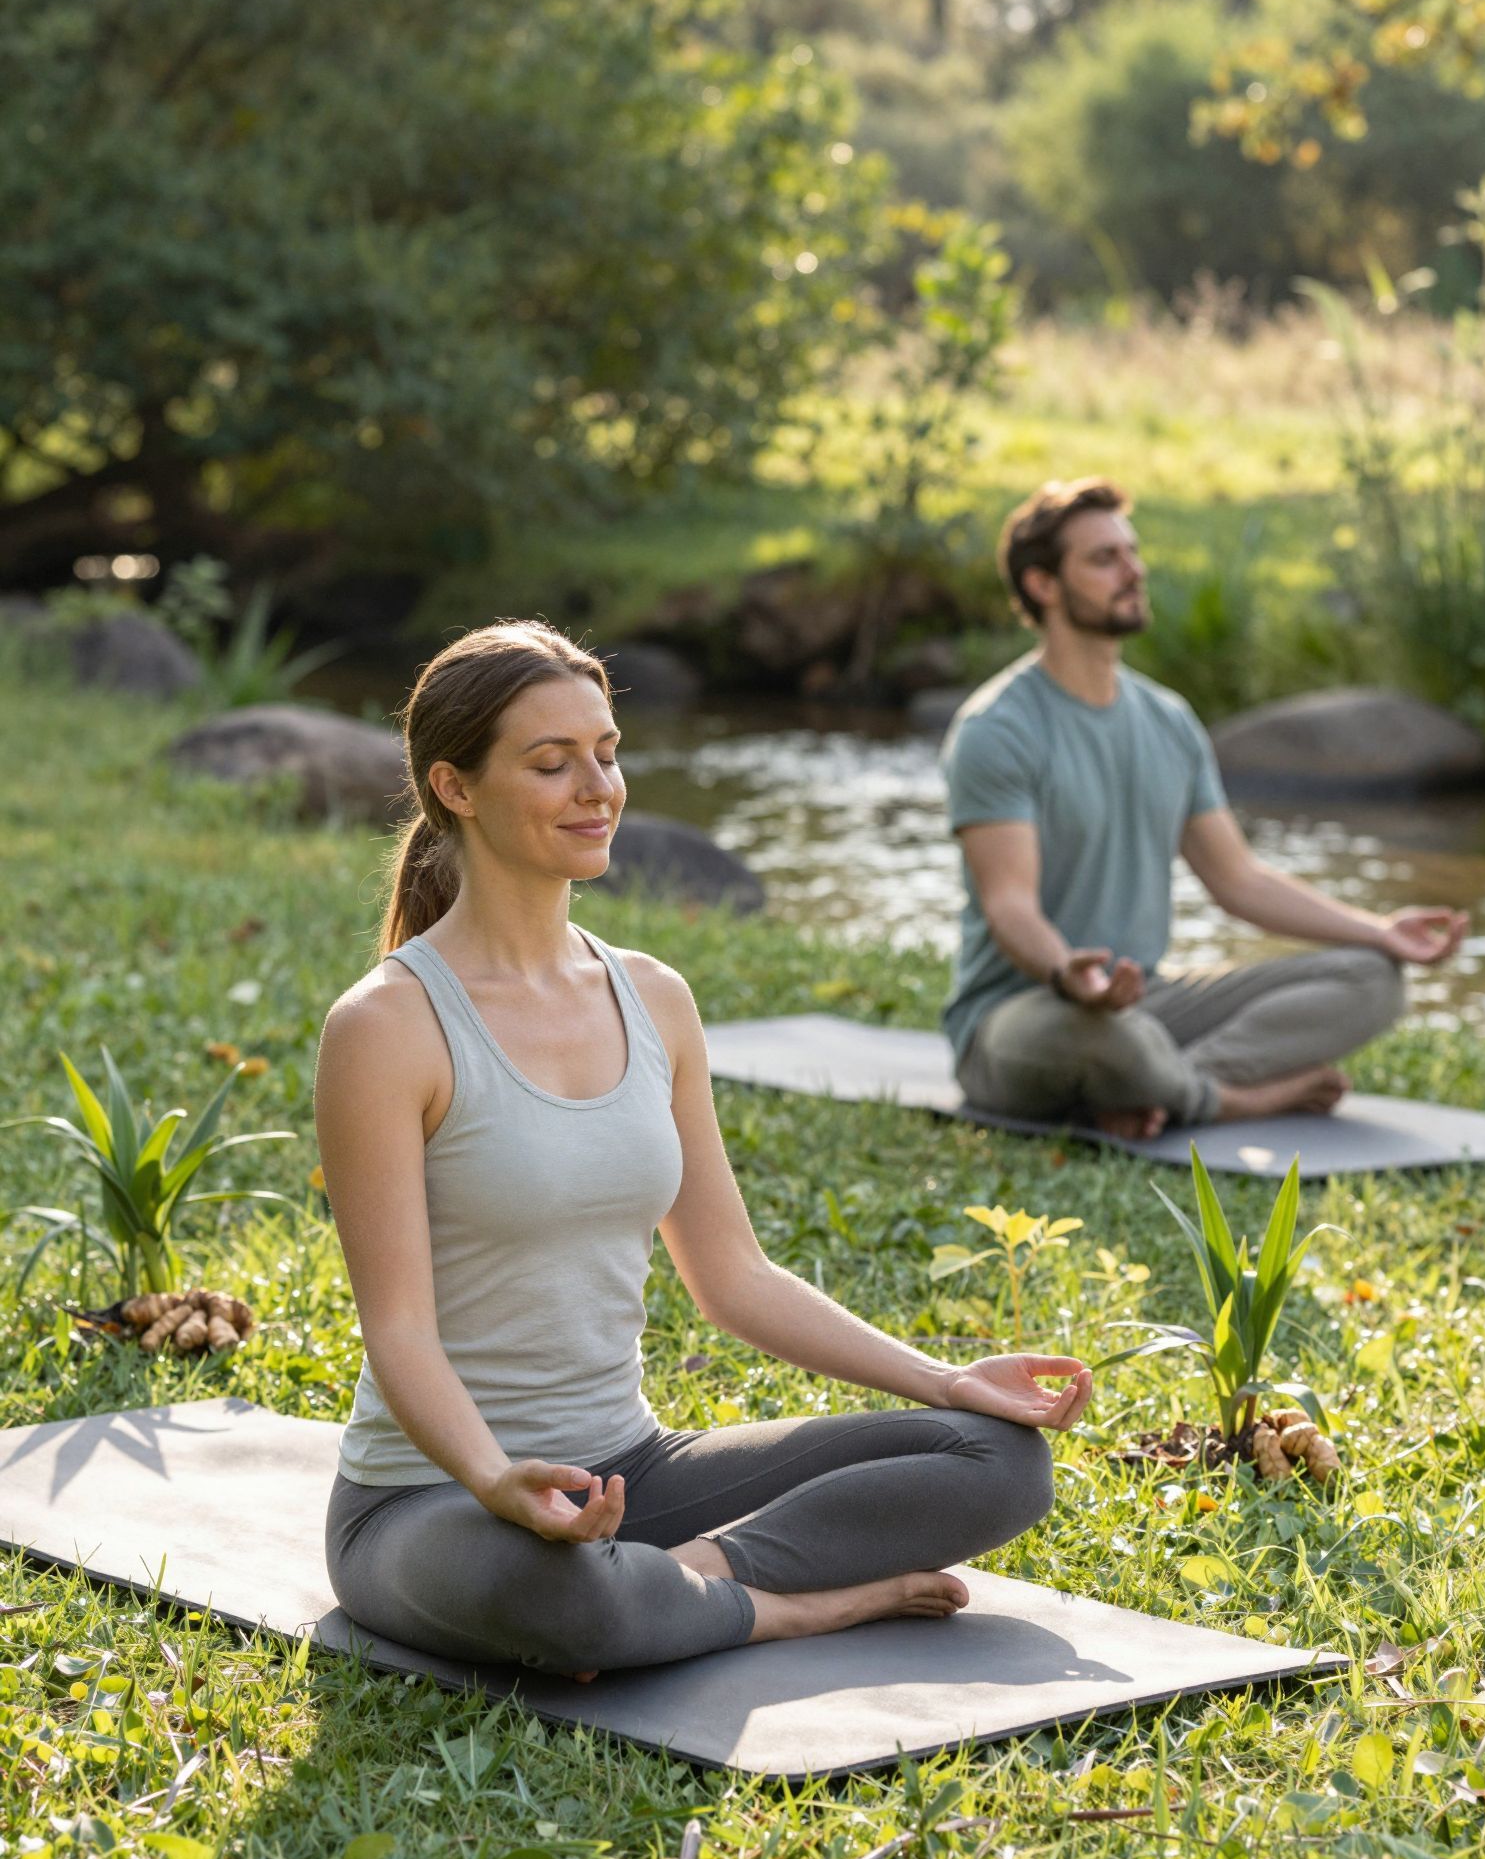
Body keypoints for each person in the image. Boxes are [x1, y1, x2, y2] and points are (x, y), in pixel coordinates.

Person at [315, 621, 1092, 1679]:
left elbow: (734, 1277)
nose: (598, 787)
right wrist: (497, 1480)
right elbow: (399, 1331)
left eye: (606, 751)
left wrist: (948, 1379)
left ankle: (680, 1584)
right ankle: (790, 1607)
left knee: (998, 1458)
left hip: (630, 1471)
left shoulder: (655, 997)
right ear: (455, 787)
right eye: (551, 763)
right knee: (565, 1599)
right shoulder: (387, 1025)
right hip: (432, 1498)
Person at [943, 479, 1468, 1139]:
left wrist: (1378, 929)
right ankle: (1235, 1099)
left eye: (1132, 553)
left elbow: (1239, 880)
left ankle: (1160, 1091)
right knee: (1111, 1042)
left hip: (1142, 1002)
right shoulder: (997, 729)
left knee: (1373, 980)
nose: (1133, 571)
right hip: (1026, 1014)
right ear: (1043, 585)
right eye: (1104, 559)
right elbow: (1010, 905)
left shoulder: (1168, 721)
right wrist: (1069, 976)